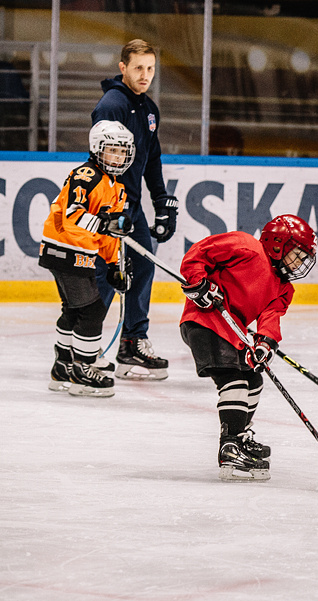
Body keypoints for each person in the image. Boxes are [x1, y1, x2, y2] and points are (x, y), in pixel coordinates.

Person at [179, 215, 318, 481]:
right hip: (204, 322)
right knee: (233, 381)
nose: (300, 264)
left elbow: (271, 316)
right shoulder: (245, 246)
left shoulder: (283, 287)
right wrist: (198, 282)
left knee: (253, 380)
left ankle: (239, 436)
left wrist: (265, 342)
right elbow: (200, 253)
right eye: (297, 256)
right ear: (279, 244)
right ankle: (229, 446)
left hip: (234, 334)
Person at [91, 38, 177, 380]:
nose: (145, 75)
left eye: (151, 68)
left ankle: (132, 342)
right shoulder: (110, 105)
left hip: (135, 208)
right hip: (110, 208)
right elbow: (100, 159)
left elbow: (151, 159)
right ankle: (85, 342)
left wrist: (162, 202)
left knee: (142, 267)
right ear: (122, 67)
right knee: (107, 272)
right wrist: (111, 209)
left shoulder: (150, 110)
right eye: (138, 67)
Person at [39, 120, 136, 397]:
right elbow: (73, 215)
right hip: (65, 249)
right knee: (92, 311)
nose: (118, 157)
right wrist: (106, 224)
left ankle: (62, 367)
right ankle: (83, 369)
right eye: (112, 150)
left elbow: (108, 234)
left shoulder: (116, 186)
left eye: (122, 151)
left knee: (73, 310)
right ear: (97, 149)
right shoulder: (86, 175)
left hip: (77, 252)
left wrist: (114, 264)